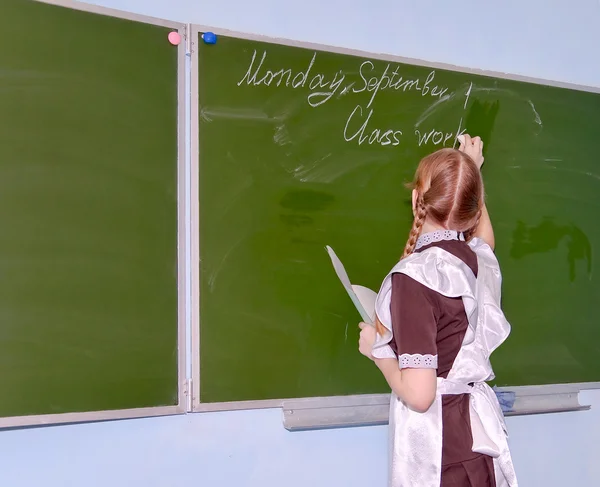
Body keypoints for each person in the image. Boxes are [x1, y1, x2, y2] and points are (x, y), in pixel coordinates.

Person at [358, 135, 518, 487]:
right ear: (472, 210)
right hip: (475, 443)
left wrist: (377, 350)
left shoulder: (414, 279)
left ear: (417, 199)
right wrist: (470, 172)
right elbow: (485, 239)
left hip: (438, 454)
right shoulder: (477, 260)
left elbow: (419, 394)